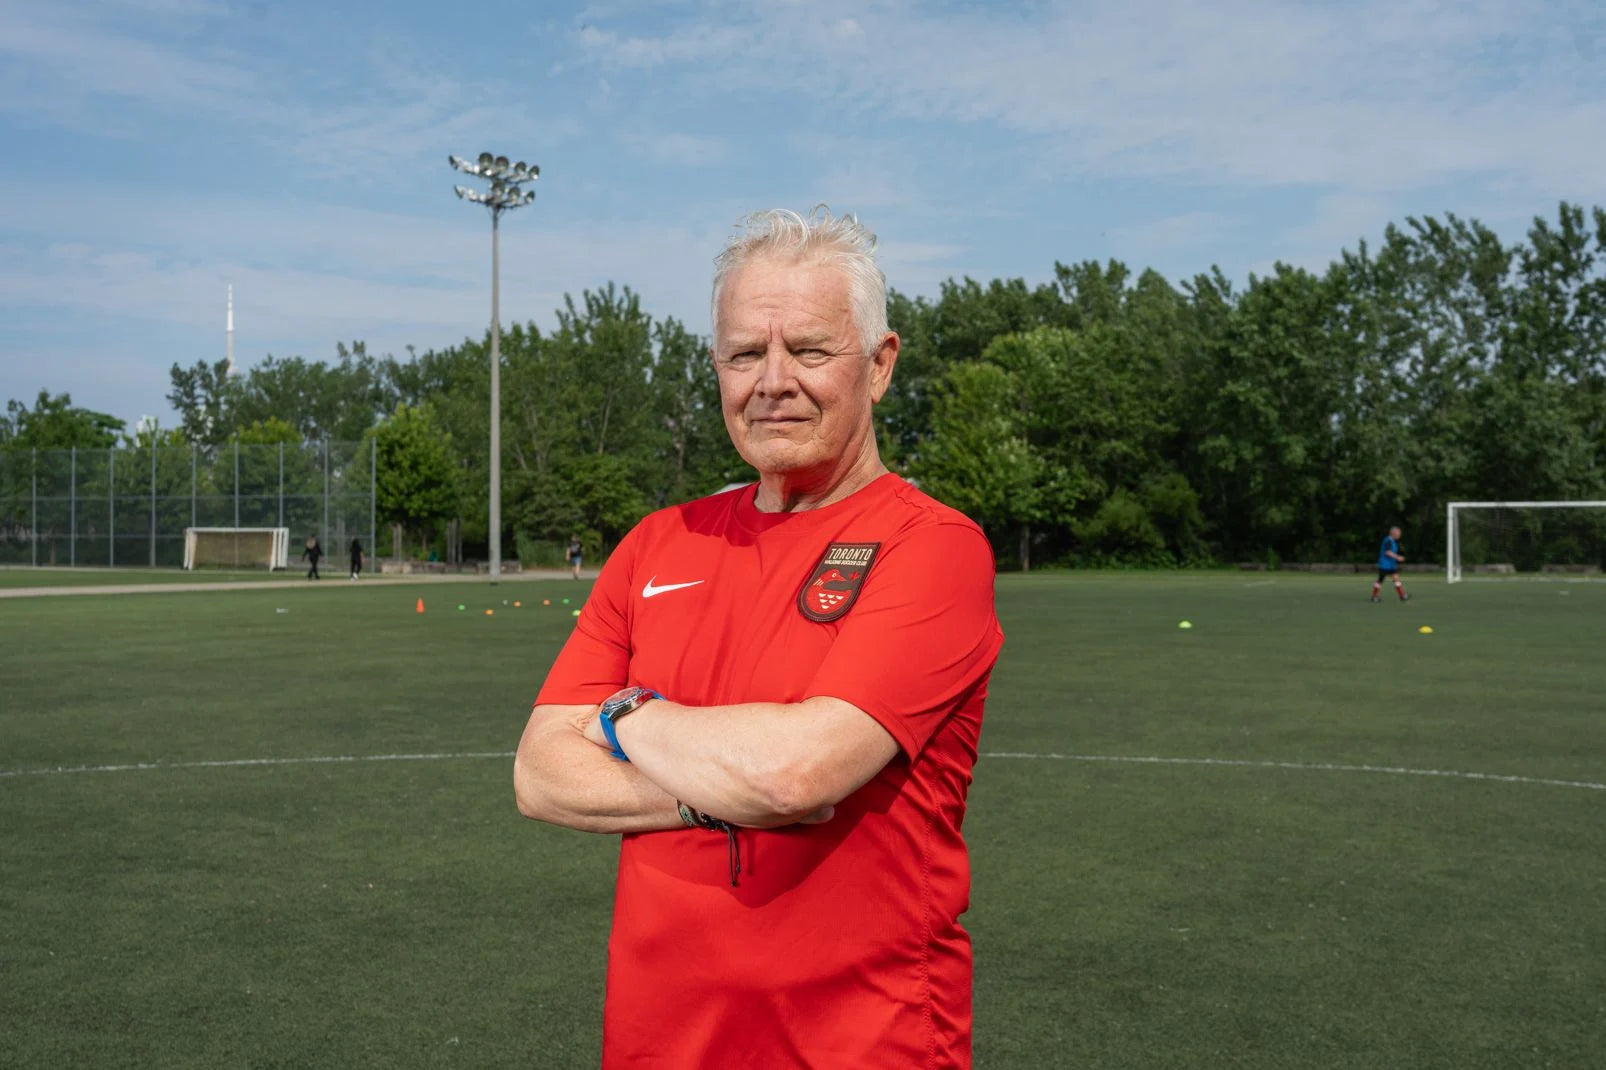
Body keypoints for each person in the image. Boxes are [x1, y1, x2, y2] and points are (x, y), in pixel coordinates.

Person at [514, 207, 1003, 1069]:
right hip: (656, 1042)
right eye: (745, 354)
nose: (773, 380)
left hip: (861, 1044)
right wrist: (712, 792)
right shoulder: (657, 543)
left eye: (809, 351)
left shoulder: (931, 545)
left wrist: (622, 715)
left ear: (880, 365)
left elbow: (794, 773)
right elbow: (540, 775)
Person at [1372, 525, 1409, 602]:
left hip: (1391, 565)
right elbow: (1387, 552)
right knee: (1380, 580)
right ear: (1393, 533)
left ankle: (1402, 595)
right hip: (1385, 565)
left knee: (1396, 578)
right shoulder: (1388, 540)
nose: (1399, 535)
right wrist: (1398, 557)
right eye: (1398, 534)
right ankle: (1374, 597)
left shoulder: (1392, 541)